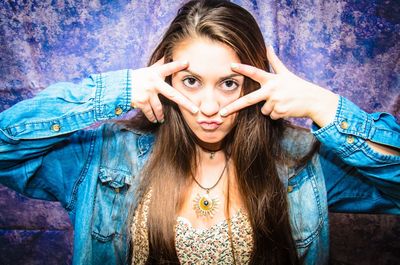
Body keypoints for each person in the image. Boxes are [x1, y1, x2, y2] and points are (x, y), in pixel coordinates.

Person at [0, 0, 399, 264]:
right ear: (164, 76)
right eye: (191, 81)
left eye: (228, 83)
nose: (210, 108)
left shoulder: (304, 161)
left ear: (254, 83)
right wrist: (112, 92)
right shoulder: (104, 156)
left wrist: (324, 106)